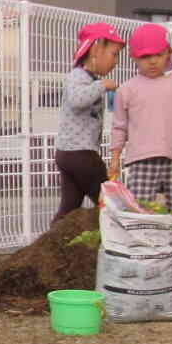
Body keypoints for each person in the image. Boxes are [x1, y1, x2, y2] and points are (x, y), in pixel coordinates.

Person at [109, 22, 172, 210]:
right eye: (145, 56)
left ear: (169, 54)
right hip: (140, 160)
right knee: (141, 211)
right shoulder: (126, 90)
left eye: (158, 55)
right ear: (134, 57)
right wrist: (115, 157)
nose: (152, 61)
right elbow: (119, 126)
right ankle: (143, 240)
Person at [55, 21, 124, 219]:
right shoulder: (78, 75)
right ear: (96, 48)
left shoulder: (90, 79)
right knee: (110, 203)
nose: (116, 61)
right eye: (114, 54)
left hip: (69, 154)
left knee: (69, 208)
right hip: (80, 154)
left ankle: (56, 243)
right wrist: (102, 86)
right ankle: (120, 238)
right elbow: (77, 100)